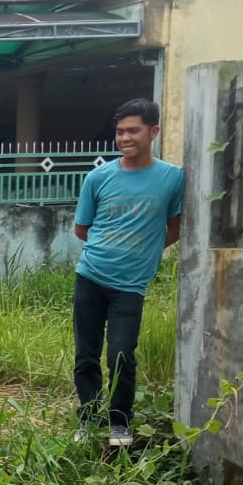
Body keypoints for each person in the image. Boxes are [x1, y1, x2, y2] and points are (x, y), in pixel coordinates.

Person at [72, 98, 184, 448]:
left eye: (133, 130)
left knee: (121, 354)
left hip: (131, 286)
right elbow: (81, 229)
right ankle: (88, 419)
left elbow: (175, 228)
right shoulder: (98, 177)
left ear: (153, 132)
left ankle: (120, 424)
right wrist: (111, 247)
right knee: (86, 355)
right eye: (120, 132)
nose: (124, 138)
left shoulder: (172, 178)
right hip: (90, 277)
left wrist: (143, 253)